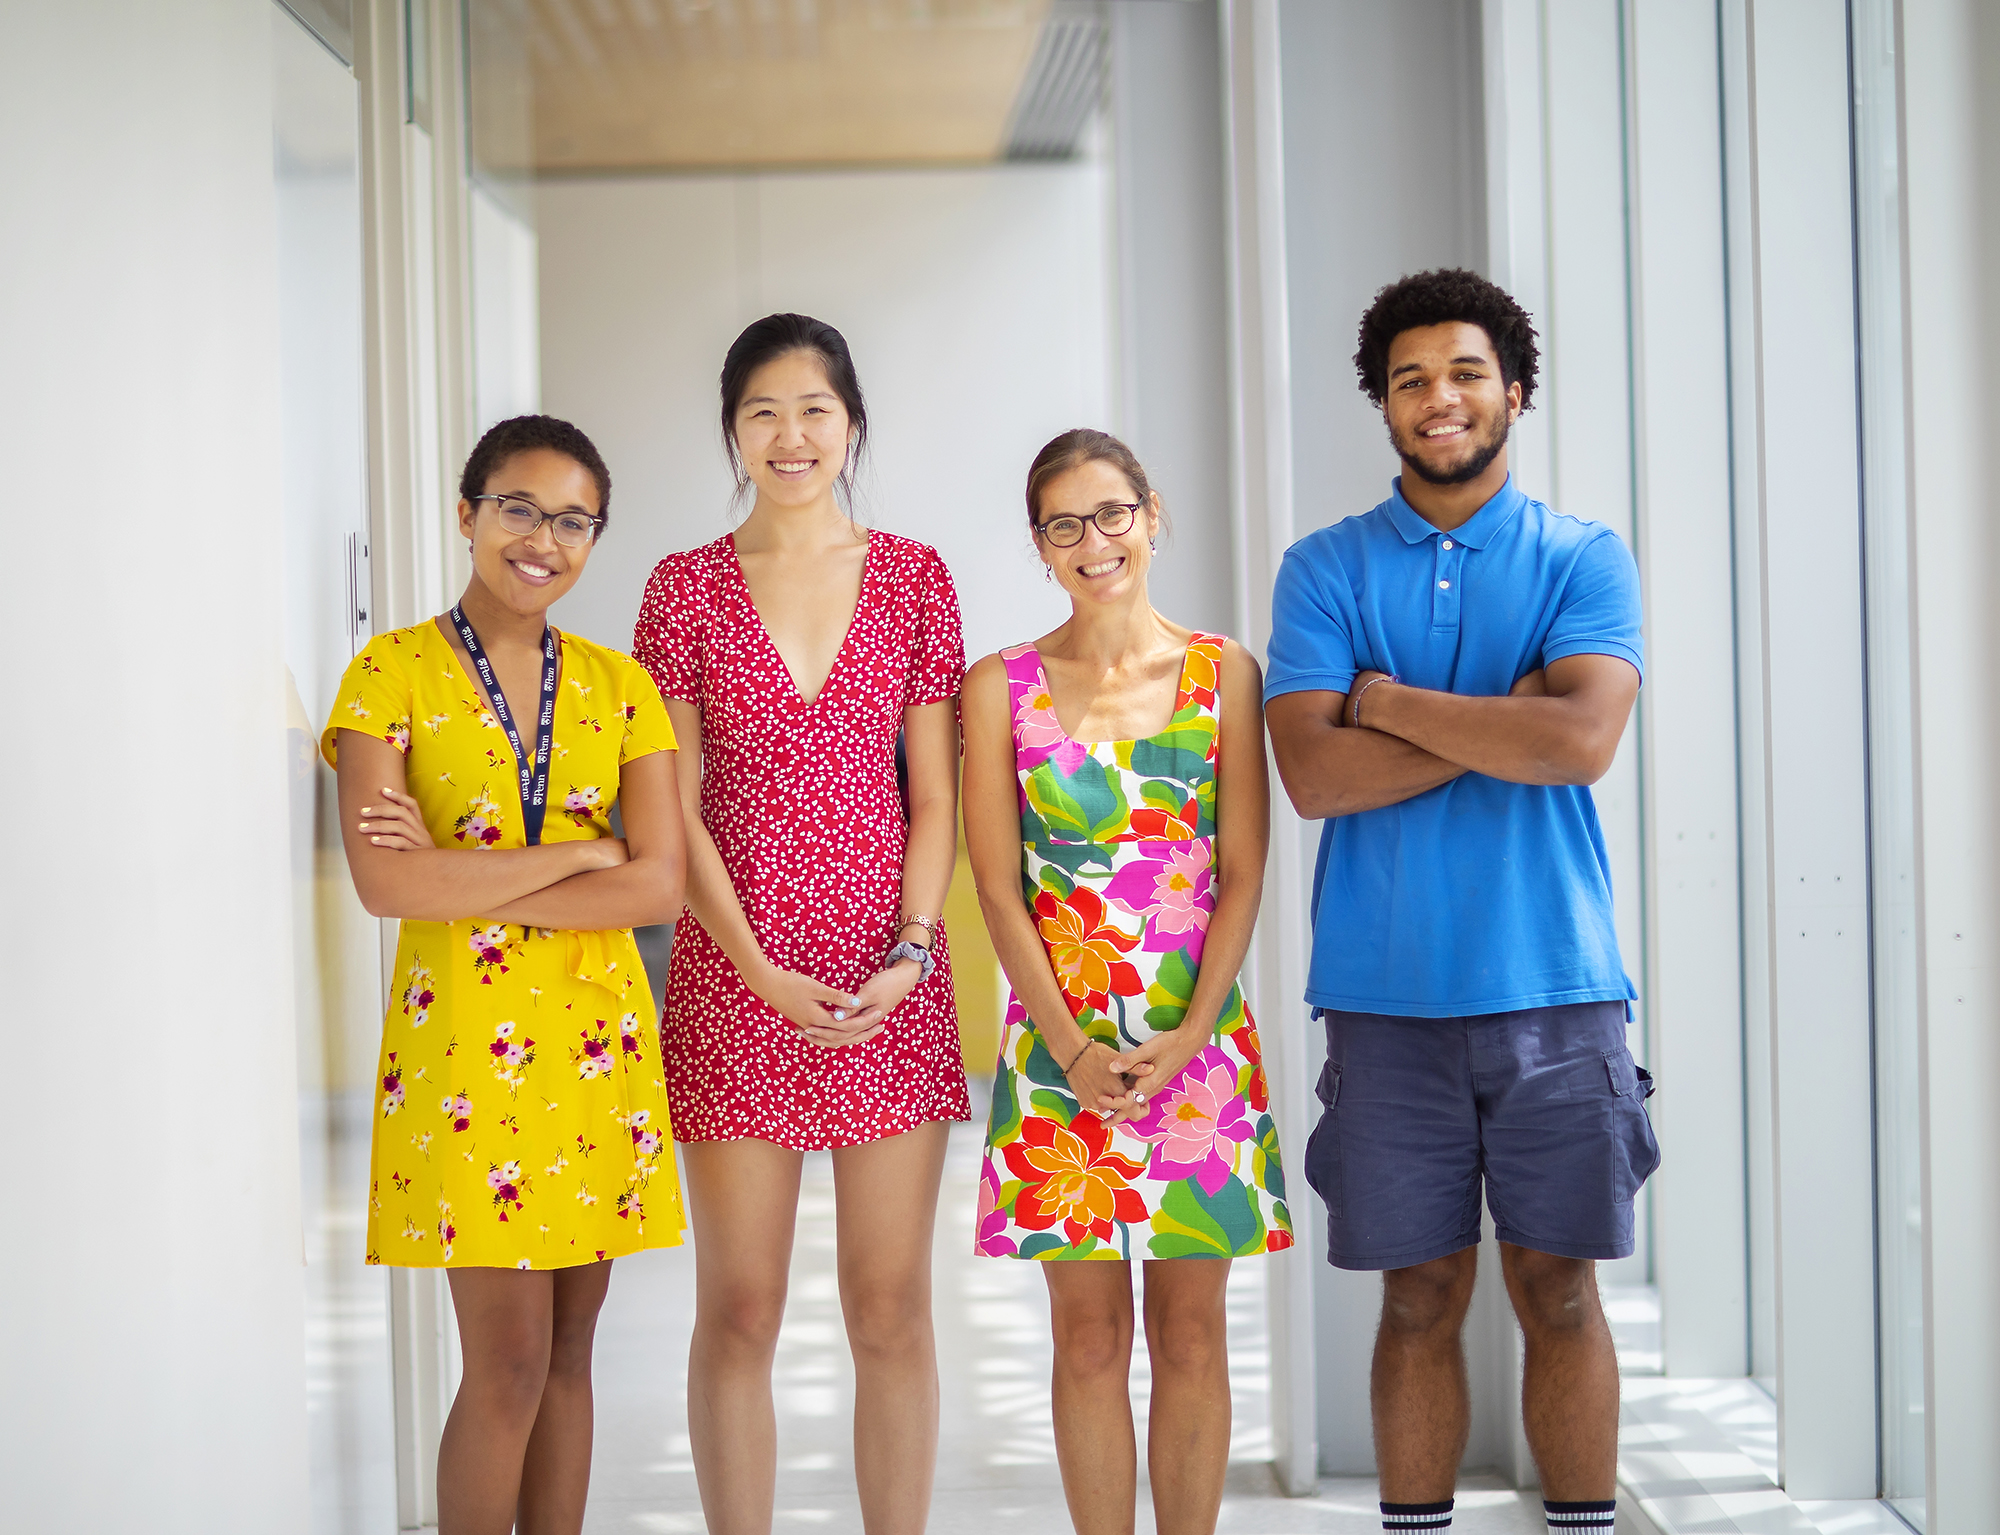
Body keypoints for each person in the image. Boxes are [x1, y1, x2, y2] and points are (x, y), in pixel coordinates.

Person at [1263, 269, 1658, 1535]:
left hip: (1558, 988)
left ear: (1515, 390)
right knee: (1416, 1298)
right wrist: (1514, 715)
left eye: (1465, 372)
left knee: (1559, 1291)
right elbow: (1314, 777)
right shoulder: (1321, 567)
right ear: (1381, 405)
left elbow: (1582, 745)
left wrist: (1382, 699)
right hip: (1383, 999)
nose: (1439, 398)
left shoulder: (1582, 555)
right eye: (1410, 379)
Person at [631, 313, 967, 1535]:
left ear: (852, 423)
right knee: (737, 1309)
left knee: (889, 1308)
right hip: (733, 979)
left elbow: (931, 798)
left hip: (894, 978)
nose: (790, 435)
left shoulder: (915, 577)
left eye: (813, 409)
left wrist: (911, 951)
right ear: (731, 429)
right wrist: (760, 971)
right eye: (762, 411)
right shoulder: (681, 587)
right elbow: (674, 813)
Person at [323, 414, 688, 1535]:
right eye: (520, 508)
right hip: (464, 1058)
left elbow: (660, 888)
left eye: (573, 520)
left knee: (573, 1353)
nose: (544, 538)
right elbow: (388, 889)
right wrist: (582, 850)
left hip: (598, 1052)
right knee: (508, 1361)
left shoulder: (621, 686)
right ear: (469, 512)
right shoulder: (387, 673)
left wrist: (461, 872)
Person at [964, 429, 1293, 1535]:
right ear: (1040, 546)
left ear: (1152, 515)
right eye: (1064, 524)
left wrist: (1192, 1031)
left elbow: (1242, 870)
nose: (1091, 541)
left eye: (1110, 514)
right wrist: (1070, 1048)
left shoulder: (1222, 671)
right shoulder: (996, 686)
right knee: (1087, 1337)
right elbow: (998, 889)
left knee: (1191, 1334)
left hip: (1195, 1050)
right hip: (1060, 1056)